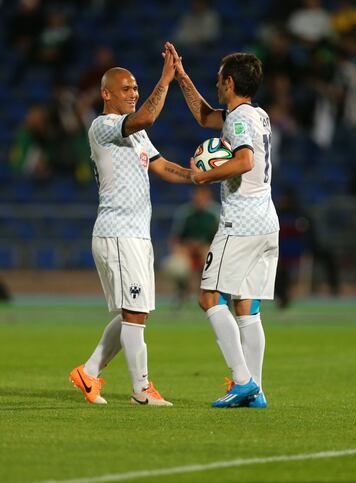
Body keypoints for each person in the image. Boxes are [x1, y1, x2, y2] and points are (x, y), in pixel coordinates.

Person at [69, 47, 193, 406]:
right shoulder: (104, 125)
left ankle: (89, 372)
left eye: (135, 87)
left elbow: (162, 166)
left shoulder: (135, 133)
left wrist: (202, 176)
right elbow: (145, 118)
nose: (134, 93)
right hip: (118, 230)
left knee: (135, 312)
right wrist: (166, 79)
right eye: (126, 88)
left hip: (137, 233)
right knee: (134, 312)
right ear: (106, 93)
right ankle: (142, 389)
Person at [167, 42, 279, 408]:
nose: (216, 84)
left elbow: (244, 161)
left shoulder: (240, 120)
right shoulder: (256, 114)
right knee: (247, 306)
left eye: (218, 79)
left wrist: (204, 176)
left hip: (242, 220)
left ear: (229, 82)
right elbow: (203, 116)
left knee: (208, 297)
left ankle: (243, 381)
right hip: (266, 219)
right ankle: (257, 391)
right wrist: (182, 77)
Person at [164, 186, 220, 306]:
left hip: (209, 250)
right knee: (175, 265)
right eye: (196, 195)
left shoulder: (216, 213)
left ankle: (212, 295)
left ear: (208, 197)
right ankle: (182, 293)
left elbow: (221, 238)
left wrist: (206, 247)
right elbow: (175, 238)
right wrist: (180, 249)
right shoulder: (185, 212)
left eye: (202, 195)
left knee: (211, 259)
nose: (199, 198)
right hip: (187, 250)